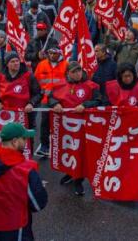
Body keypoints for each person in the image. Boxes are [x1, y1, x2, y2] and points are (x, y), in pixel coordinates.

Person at [48, 61, 100, 195]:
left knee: (80, 152)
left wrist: (86, 105)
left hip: (83, 127)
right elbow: (50, 98)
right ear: (68, 73)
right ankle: (69, 173)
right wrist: (55, 104)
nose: (77, 74)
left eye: (79, 71)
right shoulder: (60, 85)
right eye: (74, 72)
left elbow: (100, 101)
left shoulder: (91, 86)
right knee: (68, 150)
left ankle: (79, 180)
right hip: (66, 127)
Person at [33, 48, 68, 158]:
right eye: (50, 53)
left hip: (61, 99)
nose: (52, 55)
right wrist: (41, 92)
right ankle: (44, 146)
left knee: (62, 123)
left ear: (60, 54)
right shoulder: (41, 64)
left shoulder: (66, 65)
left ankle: (63, 146)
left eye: (55, 53)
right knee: (45, 123)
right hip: (46, 99)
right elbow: (36, 81)